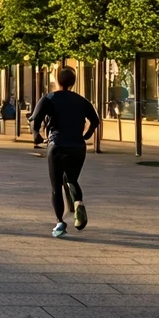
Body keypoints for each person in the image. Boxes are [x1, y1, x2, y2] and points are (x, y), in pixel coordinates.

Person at [30, 67, 98, 238]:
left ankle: (60, 222)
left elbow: (35, 120)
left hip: (57, 145)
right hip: (77, 146)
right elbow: (95, 120)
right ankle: (78, 203)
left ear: (57, 81)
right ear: (73, 82)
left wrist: (36, 135)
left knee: (56, 186)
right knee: (72, 179)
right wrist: (86, 135)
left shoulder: (49, 98)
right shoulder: (81, 100)